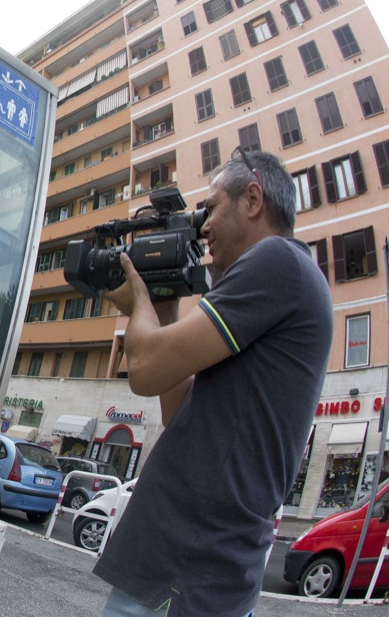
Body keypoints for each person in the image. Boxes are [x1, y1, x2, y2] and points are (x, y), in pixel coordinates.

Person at [94, 149, 333, 617]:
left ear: (252, 199)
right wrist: (162, 302)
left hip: (187, 566)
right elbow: (178, 409)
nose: (202, 227)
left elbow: (142, 371)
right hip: (192, 568)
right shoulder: (285, 283)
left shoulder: (278, 261)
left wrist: (137, 299)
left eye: (211, 207)